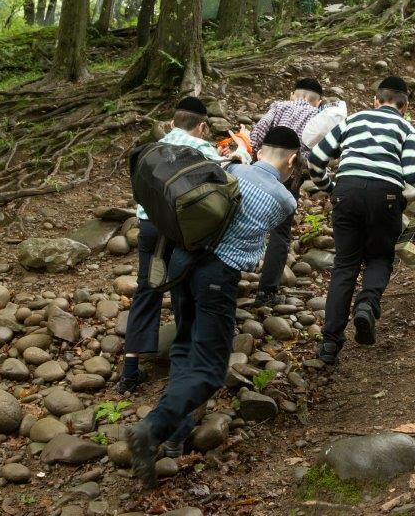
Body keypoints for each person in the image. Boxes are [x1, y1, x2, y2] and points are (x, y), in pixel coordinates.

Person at [126, 126, 300, 487]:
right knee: (208, 369)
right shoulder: (285, 199)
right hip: (217, 277)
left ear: (260, 149)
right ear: (293, 160)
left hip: (182, 264)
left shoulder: (232, 171)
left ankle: (176, 434)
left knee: (186, 346)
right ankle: (152, 429)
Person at [306, 77, 415, 366]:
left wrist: (330, 188)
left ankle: (329, 344)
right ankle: (366, 305)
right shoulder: (405, 127)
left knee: (344, 267)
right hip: (384, 197)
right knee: (380, 258)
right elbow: (414, 174)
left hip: (346, 194)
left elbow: (316, 157)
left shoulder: (354, 120)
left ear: (376, 100)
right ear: (405, 106)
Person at [118, 96, 247, 395]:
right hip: (179, 230)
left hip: (148, 227)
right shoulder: (202, 149)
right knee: (180, 285)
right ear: (202, 126)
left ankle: (129, 371)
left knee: (145, 290)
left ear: (173, 123)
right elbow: (226, 183)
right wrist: (238, 155)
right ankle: (183, 358)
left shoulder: (153, 148)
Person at [249, 77, 325, 307]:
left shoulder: (278, 106)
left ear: (293, 94)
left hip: (260, 174)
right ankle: (267, 293)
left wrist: (258, 156)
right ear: (318, 101)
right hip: (288, 181)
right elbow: (316, 155)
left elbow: (256, 136)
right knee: (280, 235)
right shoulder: (318, 117)